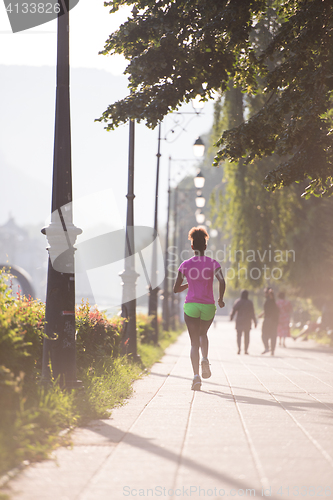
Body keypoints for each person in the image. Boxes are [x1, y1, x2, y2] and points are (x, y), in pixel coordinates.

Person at [173, 227, 225, 390]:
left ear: (192, 247)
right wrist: (220, 299)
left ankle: (196, 377)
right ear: (205, 246)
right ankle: (205, 358)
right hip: (208, 305)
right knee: (203, 334)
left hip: (191, 306)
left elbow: (176, 288)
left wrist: (190, 283)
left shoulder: (185, 264)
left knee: (194, 342)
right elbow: (222, 281)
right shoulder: (213, 263)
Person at [230, 290, 257, 355]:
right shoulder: (250, 303)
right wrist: (255, 321)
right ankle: (246, 350)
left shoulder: (238, 301)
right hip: (247, 321)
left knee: (239, 335)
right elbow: (252, 313)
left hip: (239, 321)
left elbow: (234, 310)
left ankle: (239, 349)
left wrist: (231, 317)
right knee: (247, 336)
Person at [259, 288, 279, 355]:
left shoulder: (271, 299)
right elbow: (267, 310)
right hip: (272, 320)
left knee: (266, 334)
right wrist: (261, 314)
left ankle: (268, 348)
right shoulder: (269, 300)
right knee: (271, 335)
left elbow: (272, 298)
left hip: (269, 320)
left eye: (265, 293)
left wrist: (271, 292)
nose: (265, 294)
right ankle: (270, 349)